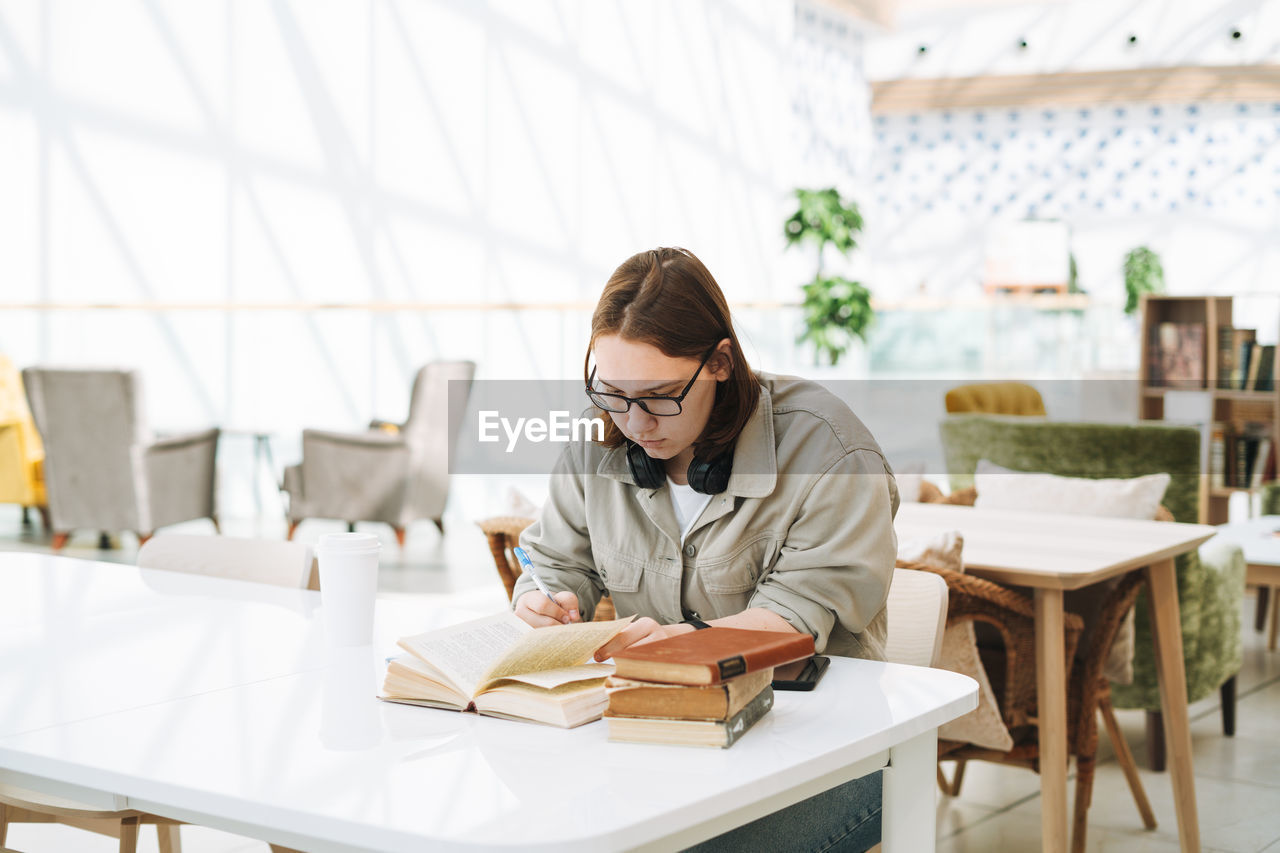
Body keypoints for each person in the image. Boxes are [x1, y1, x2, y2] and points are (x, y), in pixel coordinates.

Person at [511, 247, 898, 853]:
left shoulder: (832, 454)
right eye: (611, 391)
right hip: (662, 744)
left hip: (818, 754)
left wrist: (683, 648)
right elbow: (556, 565)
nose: (633, 424)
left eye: (659, 396)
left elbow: (796, 614)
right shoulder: (599, 438)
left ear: (720, 362)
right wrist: (548, 604)